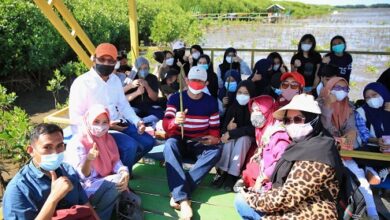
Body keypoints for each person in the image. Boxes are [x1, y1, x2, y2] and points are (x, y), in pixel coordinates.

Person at [234, 94, 343, 220]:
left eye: (298, 119)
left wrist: (252, 197)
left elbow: (288, 196)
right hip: (294, 205)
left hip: (310, 212)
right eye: (287, 121)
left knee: (242, 201)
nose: (292, 124)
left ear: (313, 119)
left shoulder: (319, 152)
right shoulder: (301, 145)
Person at [69, 43, 155, 171]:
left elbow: (123, 105)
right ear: (94, 59)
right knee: (129, 146)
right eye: (102, 59)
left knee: (149, 142)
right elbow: (75, 117)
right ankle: (119, 180)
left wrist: (138, 122)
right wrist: (106, 125)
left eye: (110, 61)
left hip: (119, 124)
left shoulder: (115, 80)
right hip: (97, 131)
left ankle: (120, 171)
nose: (106, 63)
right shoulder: (82, 83)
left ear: (116, 63)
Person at [2, 123, 99, 219]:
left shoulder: (68, 170)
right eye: (47, 147)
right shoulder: (18, 189)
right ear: (31, 150)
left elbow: (87, 206)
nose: (55, 153)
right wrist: (53, 198)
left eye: (59, 146)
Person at [163, 66, 222, 219]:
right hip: (180, 139)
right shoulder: (175, 98)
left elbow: (214, 128)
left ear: (206, 83)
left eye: (200, 81)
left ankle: (179, 192)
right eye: (193, 80)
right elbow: (166, 124)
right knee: (169, 145)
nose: (196, 83)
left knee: (216, 150)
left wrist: (215, 138)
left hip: (199, 141)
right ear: (187, 80)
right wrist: (175, 121)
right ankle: (183, 200)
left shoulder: (211, 102)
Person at [65, 104, 142, 219]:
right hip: (85, 189)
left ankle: (112, 209)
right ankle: (99, 217)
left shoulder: (108, 138)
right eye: (96, 121)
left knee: (136, 200)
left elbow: (116, 161)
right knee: (116, 182)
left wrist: (124, 171)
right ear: (87, 121)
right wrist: (88, 160)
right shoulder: (77, 142)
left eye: (105, 122)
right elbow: (82, 177)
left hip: (104, 182)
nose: (100, 126)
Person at [318, 77, 380, 219]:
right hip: (323, 150)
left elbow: (351, 128)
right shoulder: (318, 104)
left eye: (345, 89)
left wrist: (349, 136)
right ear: (329, 88)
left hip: (343, 149)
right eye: (337, 88)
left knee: (360, 179)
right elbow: (324, 128)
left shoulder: (348, 106)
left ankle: (373, 213)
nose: (341, 92)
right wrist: (328, 106)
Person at [239, 95, 290, 191]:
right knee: (251, 162)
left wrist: (264, 177)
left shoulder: (278, 133)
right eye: (253, 111)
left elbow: (280, 160)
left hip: (272, 176)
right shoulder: (262, 128)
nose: (255, 114)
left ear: (268, 110)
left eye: (258, 110)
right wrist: (260, 151)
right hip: (265, 166)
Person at [213, 80, 256, 191]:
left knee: (243, 140)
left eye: (246, 93)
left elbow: (252, 129)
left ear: (251, 94)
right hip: (234, 136)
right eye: (239, 92)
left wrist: (231, 133)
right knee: (229, 141)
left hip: (248, 139)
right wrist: (227, 129)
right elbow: (223, 128)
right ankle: (224, 172)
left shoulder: (255, 108)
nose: (242, 96)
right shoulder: (233, 107)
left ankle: (232, 175)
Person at [355, 82, 390, 184]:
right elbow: (364, 136)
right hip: (375, 147)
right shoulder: (361, 112)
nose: (371, 100)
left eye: (374, 95)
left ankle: (377, 169)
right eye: (367, 98)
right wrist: (378, 141)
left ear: (383, 93)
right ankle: (382, 169)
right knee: (358, 153)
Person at [125, 56, 163, 127]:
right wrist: (137, 93)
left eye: (145, 68)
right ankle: (143, 122)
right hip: (134, 107)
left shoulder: (152, 78)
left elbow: (154, 98)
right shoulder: (131, 79)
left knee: (160, 113)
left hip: (149, 106)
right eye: (140, 69)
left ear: (148, 68)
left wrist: (147, 86)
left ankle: (140, 121)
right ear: (136, 69)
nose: (143, 70)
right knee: (126, 115)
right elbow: (124, 99)